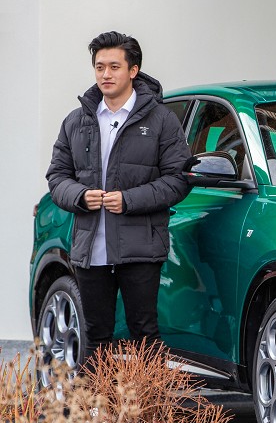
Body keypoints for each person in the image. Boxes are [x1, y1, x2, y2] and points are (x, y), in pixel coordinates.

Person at [46, 31, 191, 367]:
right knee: (95, 336)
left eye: (114, 66)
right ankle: (98, 401)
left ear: (133, 70)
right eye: (99, 67)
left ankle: (149, 401)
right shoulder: (76, 121)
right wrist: (81, 196)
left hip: (140, 246)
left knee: (145, 334)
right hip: (90, 247)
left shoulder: (161, 120)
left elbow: (178, 179)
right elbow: (57, 177)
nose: (106, 74)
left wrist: (129, 200)